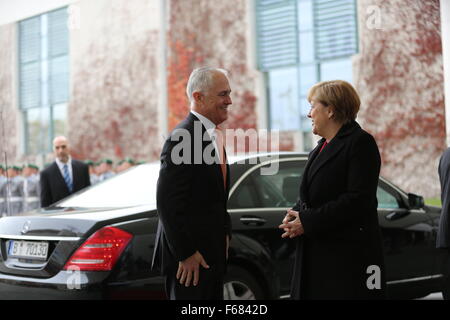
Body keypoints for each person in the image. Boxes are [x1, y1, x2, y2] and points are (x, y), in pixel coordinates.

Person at [279, 80, 386, 300]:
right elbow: (312, 196)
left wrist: (307, 221)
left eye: (312, 106)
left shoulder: (360, 143)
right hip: (317, 253)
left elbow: (358, 200)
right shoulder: (319, 148)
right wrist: (294, 216)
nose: (309, 114)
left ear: (330, 110)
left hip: (346, 259)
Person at [152, 67, 232, 300]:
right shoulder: (182, 137)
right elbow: (167, 202)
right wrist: (185, 253)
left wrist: (225, 233)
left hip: (211, 256)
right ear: (198, 97)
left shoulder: (213, 135)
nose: (229, 101)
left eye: (229, 93)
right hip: (189, 265)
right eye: (223, 94)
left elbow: (216, 195)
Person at [40, 136, 91, 207]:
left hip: (80, 213)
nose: (60, 151)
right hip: (58, 215)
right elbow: (45, 202)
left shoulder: (82, 168)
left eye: (63, 147)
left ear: (69, 147)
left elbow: (88, 193)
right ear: (53, 150)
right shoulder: (46, 173)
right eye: (57, 148)